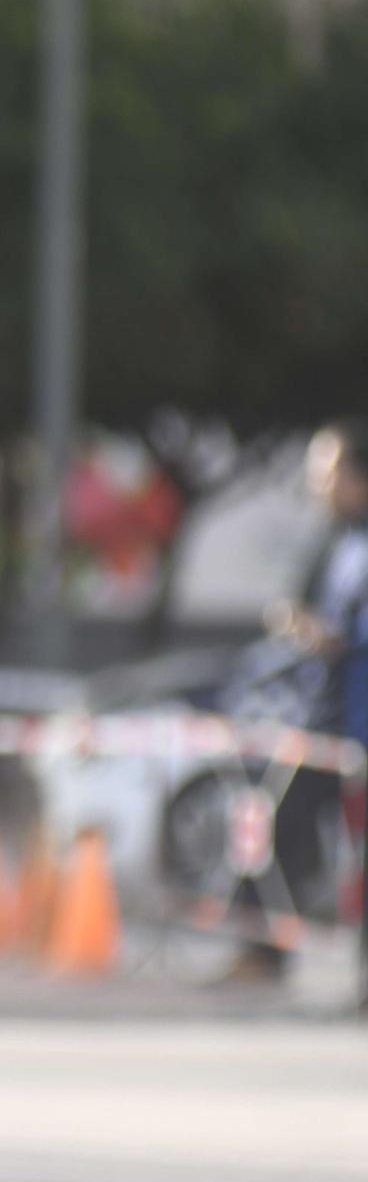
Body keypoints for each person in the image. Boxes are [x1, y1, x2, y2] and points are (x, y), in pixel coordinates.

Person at [223, 420, 368, 983]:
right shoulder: (333, 541)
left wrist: (334, 637)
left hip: (357, 720)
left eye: (326, 474)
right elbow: (302, 604)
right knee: (274, 822)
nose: (317, 487)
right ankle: (264, 952)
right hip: (324, 720)